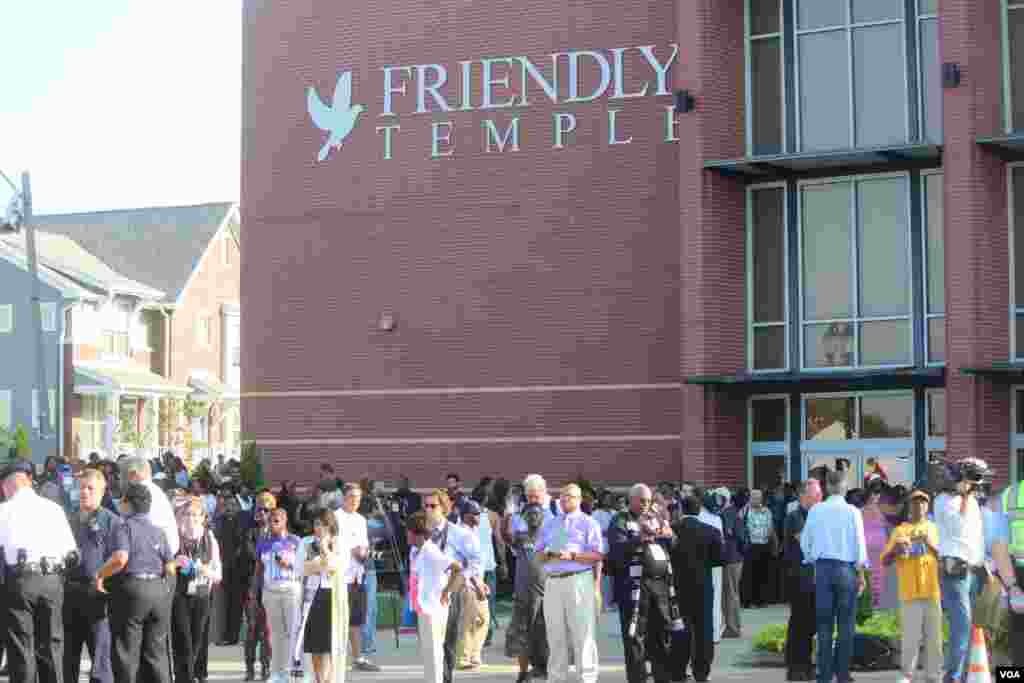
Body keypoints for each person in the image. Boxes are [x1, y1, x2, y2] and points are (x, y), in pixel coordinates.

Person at [0, 460, 77, 683]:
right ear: (28, 481)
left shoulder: (4, 511)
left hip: (21, 582)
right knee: (52, 645)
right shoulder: (54, 509)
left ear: (7, 485)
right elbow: (71, 552)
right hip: (52, 581)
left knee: (22, 647)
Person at [95, 482, 177, 683]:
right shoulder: (159, 531)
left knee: (127, 652)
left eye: (122, 501)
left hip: (133, 591)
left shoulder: (125, 527)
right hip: (158, 591)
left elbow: (120, 559)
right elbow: (170, 567)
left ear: (128, 504)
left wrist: (100, 575)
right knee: (156, 653)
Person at [800, 470, 868, 683]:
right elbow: (860, 544)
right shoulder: (853, 511)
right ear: (845, 487)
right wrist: (861, 573)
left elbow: (805, 542)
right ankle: (843, 674)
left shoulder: (816, 510)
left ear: (827, 487)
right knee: (846, 624)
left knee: (824, 624)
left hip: (822, 569)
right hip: (845, 569)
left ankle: (825, 674)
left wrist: (812, 559)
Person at [608, 483, 678, 683]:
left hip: (659, 586)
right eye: (642, 501)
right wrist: (640, 538)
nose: (647, 505)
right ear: (631, 500)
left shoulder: (657, 518)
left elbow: (674, 544)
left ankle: (663, 677)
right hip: (634, 587)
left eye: (649, 501)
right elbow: (617, 551)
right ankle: (637, 678)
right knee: (635, 638)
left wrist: (669, 535)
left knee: (662, 634)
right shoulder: (620, 520)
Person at [536, 483, 604, 683]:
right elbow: (538, 555)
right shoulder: (551, 523)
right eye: (563, 496)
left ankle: (587, 678)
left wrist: (573, 556)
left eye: (571, 496)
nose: (565, 500)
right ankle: (556, 678)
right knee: (555, 634)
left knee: (582, 633)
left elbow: (597, 554)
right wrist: (547, 554)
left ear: (580, 499)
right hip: (553, 582)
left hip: (578, 580)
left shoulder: (588, 523)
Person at [65, 467, 122, 683]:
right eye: (81, 488)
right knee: (67, 657)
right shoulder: (69, 519)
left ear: (101, 491)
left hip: (98, 596)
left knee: (101, 661)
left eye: (90, 488)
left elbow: (120, 559)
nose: (84, 492)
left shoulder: (112, 522)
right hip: (70, 594)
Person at [934, 457, 988, 683]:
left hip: (975, 570)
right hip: (955, 571)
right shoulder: (943, 500)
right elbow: (957, 526)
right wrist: (964, 494)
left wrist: (985, 565)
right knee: (961, 626)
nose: (975, 487)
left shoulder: (972, 501)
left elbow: (975, 537)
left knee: (972, 625)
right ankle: (953, 677)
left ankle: (968, 675)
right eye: (972, 481)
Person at [880, 488, 942, 683]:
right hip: (909, 592)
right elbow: (885, 560)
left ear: (928, 506)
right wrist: (897, 550)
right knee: (910, 637)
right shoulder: (900, 530)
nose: (920, 505)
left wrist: (929, 543)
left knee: (934, 636)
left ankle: (933, 674)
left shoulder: (934, 528)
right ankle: (907, 674)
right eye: (915, 502)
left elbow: (945, 556)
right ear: (909, 505)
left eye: (923, 502)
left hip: (932, 590)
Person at [422, 488, 482, 683]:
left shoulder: (459, 534)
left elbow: (475, 561)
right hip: (427, 592)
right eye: (426, 506)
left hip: (450, 590)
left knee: (447, 641)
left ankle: (445, 679)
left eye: (433, 506)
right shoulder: (422, 533)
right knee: (430, 643)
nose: (428, 509)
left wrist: (462, 580)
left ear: (444, 508)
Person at [670, 494, 724, 683]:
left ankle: (677, 670)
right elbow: (719, 559)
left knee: (679, 627)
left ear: (682, 510)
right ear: (699, 510)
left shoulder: (672, 530)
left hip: (678, 587)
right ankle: (702, 672)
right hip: (703, 587)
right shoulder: (711, 531)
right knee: (703, 631)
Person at [292, 508, 348, 683]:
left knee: (331, 645)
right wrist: (321, 565)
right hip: (312, 597)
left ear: (331, 526)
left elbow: (337, 567)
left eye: (324, 524)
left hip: (334, 598)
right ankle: (319, 680)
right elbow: (300, 569)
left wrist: (324, 550)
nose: (319, 528)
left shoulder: (339, 543)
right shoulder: (305, 542)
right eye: (316, 524)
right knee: (316, 646)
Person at [408, 510, 464, 683]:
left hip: (433, 609)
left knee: (433, 654)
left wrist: (447, 591)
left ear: (414, 532)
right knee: (429, 654)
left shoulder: (430, 551)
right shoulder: (416, 551)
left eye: (408, 531)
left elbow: (457, 567)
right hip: (423, 608)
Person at [171, 496, 222, 683]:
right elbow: (165, 565)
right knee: (182, 640)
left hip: (201, 595)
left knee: (197, 640)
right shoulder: (174, 538)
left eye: (195, 514)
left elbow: (219, 575)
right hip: (179, 595)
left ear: (203, 517)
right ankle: (184, 678)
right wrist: (175, 562)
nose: (190, 518)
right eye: (187, 514)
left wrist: (204, 570)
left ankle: (193, 674)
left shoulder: (209, 538)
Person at [334, 483, 379, 673]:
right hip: (339, 575)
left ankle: (358, 658)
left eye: (358, 497)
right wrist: (350, 551)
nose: (355, 501)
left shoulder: (361, 519)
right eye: (352, 496)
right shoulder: (335, 517)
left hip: (357, 575)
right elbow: (330, 543)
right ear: (343, 497)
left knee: (355, 620)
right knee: (338, 618)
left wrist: (364, 552)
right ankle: (337, 657)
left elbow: (364, 544)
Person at [505, 503, 550, 683]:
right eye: (529, 514)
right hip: (523, 593)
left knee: (544, 633)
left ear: (543, 516)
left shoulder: (551, 535)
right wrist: (508, 516)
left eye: (537, 513)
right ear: (524, 517)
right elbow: (505, 536)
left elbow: (565, 553)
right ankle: (523, 673)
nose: (533, 517)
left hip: (545, 593)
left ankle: (543, 668)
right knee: (521, 634)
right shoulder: (520, 536)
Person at [257, 507, 302, 683]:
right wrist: (255, 592)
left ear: (285, 522)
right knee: (276, 634)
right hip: (270, 592)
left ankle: (294, 671)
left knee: (293, 632)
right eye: (270, 521)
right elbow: (258, 568)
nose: (272, 524)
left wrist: (287, 564)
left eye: (276, 520)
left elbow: (303, 567)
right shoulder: (263, 541)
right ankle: (277, 673)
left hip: (291, 591)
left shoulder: (295, 541)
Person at [783, 480, 822, 682]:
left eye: (820, 495)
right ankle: (796, 667)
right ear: (803, 496)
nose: (819, 499)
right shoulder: (795, 516)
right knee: (799, 623)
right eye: (816, 496)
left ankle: (807, 665)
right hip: (799, 579)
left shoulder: (815, 517)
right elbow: (806, 542)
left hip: (813, 579)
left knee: (811, 624)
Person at [240, 492, 276, 681]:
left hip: (271, 586)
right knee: (252, 628)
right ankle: (249, 669)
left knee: (267, 630)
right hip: (253, 586)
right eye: (259, 508)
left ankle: (266, 667)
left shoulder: (278, 532)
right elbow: (250, 553)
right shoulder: (250, 531)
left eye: (267, 509)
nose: (262, 512)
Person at [990, 477, 1024, 665]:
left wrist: (1012, 586)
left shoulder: (1010, 495)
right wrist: (1011, 585)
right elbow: (999, 546)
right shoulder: (1010, 495)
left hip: (1018, 577)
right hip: (1018, 576)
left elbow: (998, 545)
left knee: (1020, 641)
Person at [456, 501, 492, 671]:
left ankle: (474, 655)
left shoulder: (473, 531)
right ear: (465, 516)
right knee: (469, 621)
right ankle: (464, 658)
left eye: (479, 513)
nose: (478, 516)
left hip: (477, 581)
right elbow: (466, 563)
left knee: (482, 619)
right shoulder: (463, 534)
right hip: (468, 583)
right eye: (474, 514)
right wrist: (478, 585)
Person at [719, 487, 747, 638]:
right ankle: (733, 626)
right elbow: (740, 536)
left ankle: (733, 627)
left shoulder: (729, 513)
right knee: (732, 593)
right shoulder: (733, 513)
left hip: (731, 558)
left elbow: (733, 533)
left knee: (730, 593)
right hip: (735, 557)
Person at [743, 489, 778, 608]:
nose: (756, 500)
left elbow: (770, 526)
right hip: (751, 546)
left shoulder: (767, 511)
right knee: (750, 575)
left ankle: (761, 600)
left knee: (763, 574)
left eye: (758, 498)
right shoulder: (745, 510)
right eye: (754, 497)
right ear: (750, 498)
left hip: (764, 545)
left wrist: (771, 540)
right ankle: (749, 601)